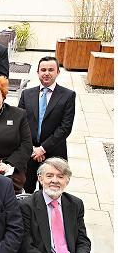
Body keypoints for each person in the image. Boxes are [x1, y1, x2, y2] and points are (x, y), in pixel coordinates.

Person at [18, 56, 76, 193]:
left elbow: (65, 127)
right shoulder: (27, 94)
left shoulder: (68, 95)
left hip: (54, 152)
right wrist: (32, 148)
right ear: (37, 72)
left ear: (57, 72)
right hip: (29, 153)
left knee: (51, 192)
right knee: (27, 192)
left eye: (51, 70)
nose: (46, 73)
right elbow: (20, 122)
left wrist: (42, 149)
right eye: (43, 69)